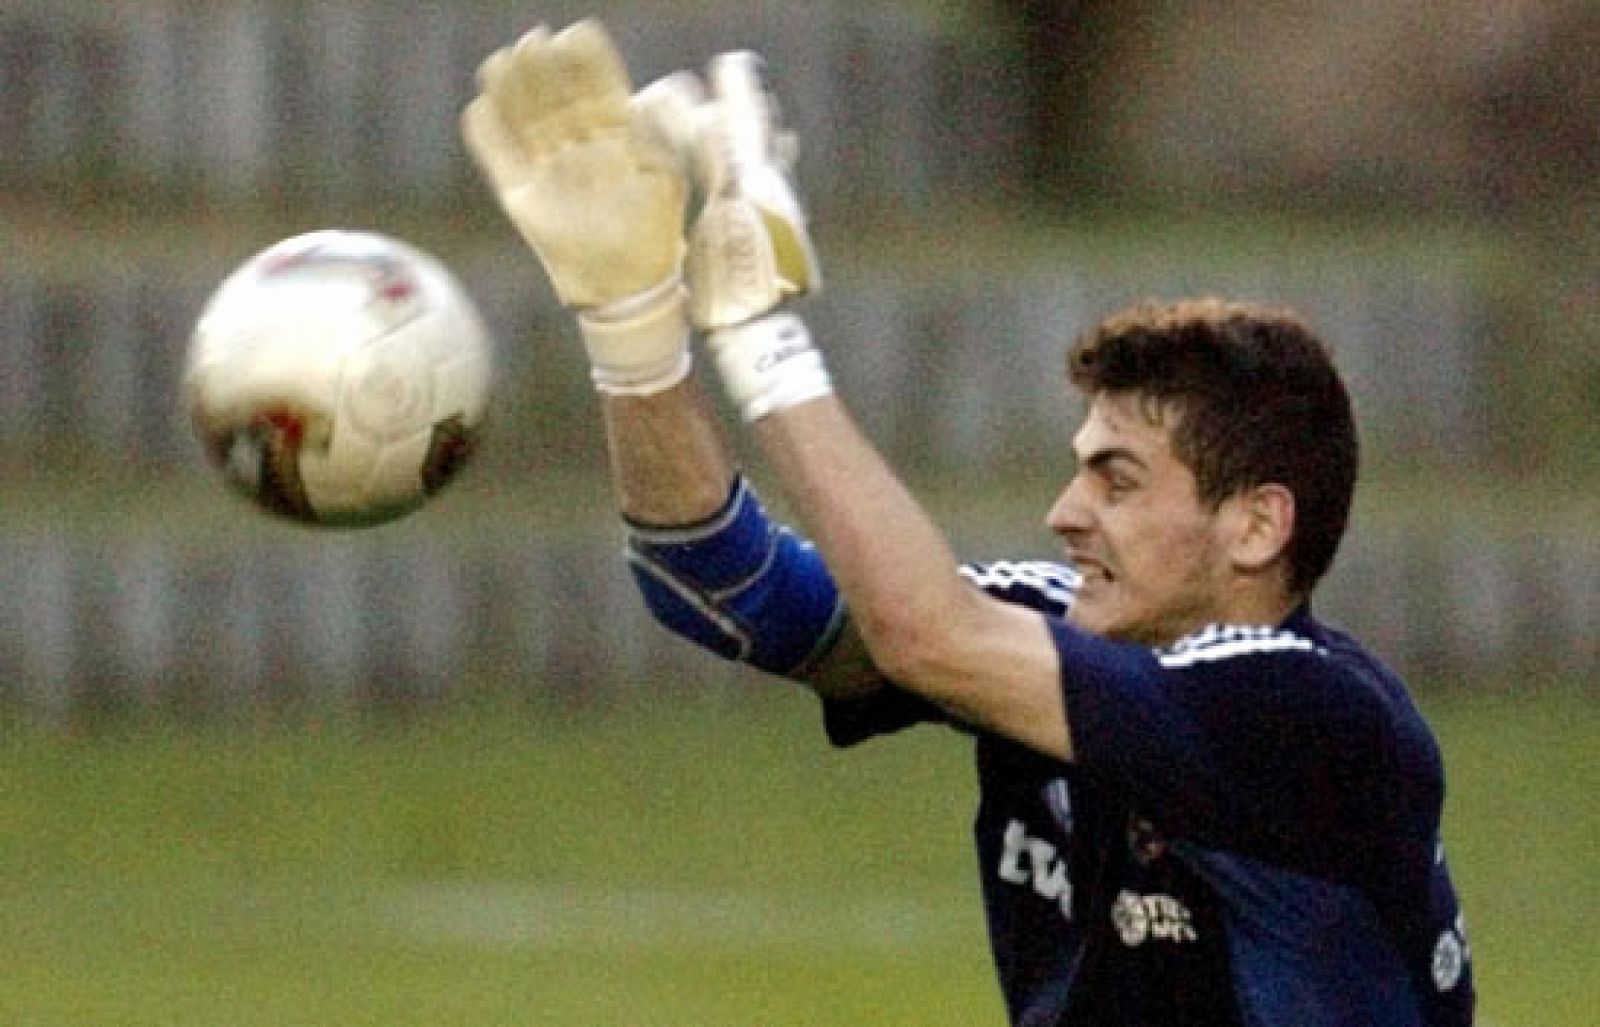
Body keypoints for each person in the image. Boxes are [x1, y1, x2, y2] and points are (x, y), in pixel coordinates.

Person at [461, 20, 1476, 1025]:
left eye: (1116, 481)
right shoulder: (1049, 640)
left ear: (1254, 528)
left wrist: (760, 336)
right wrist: (633, 326)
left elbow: (924, 633)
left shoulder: (1314, 720)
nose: (1064, 511)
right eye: (1079, 471)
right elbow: (719, 587)